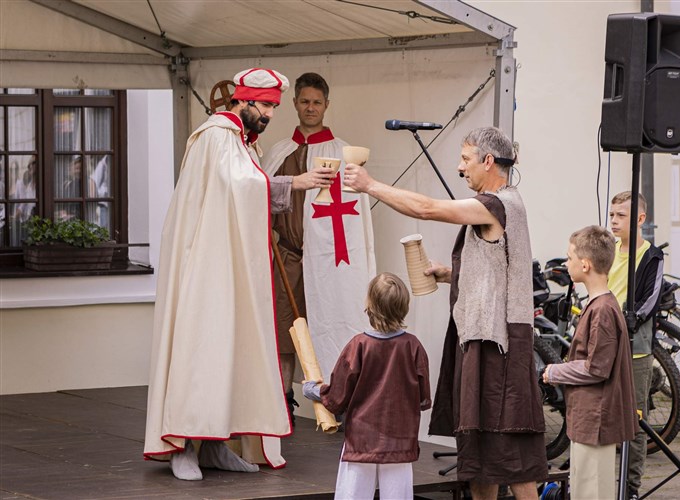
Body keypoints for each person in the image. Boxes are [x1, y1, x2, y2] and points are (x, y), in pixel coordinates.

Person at [143, 67, 335, 481]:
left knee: (230, 349)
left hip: (229, 264)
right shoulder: (216, 136)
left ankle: (215, 444)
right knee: (203, 348)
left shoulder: (240, 142)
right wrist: (296, 182)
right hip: (205, 266)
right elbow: (243, 187)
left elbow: (247, 189)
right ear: (242, 100)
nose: (268, 115)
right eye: (263, 106)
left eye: (272, 108)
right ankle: (186, 445)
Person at [344, 127, 547, 500]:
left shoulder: (497, 204)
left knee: (511, 453)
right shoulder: (503, 203)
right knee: (480, 455)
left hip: (498, 347)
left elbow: (427, 208)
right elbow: (502, 269)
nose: (459, 167)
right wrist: (451, 274)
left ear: (488, 161)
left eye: (466, 159)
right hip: (486, 340)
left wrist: (370, 185)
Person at [263, 72, 375, 422]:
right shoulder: (280, 151)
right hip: (287, 257)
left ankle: (343, 401)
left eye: (317, 102)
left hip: (330, 260)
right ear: (295, 103)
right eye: (304, 101)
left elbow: (352, 213)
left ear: (326, 105)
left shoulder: (341, 153)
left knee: (335, 323)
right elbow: (260, 198)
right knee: (284, 332)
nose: (310, 108)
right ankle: (283, 402)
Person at [302, 272, 431, 500]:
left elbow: (336, 398)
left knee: (353, 495)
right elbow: (422, 399)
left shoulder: (358, 346)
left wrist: (312, 389)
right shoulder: (414, 347)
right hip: (400, 441)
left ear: (369, 305)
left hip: (361, 441)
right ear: (404, 306)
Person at [543, 225, 638, 500]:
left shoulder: (603, 310)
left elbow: (596, 368)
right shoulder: (600, 305)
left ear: (585, 265)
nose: (567, 262)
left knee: (591, 490)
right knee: (586, 487)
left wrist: (554, 371)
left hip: (596, 419)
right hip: (589, 418)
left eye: (570, 257)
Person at [608, 191, 664, 500]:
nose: (614, 221)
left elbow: (650, 301)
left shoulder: (651, 256)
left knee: (635, 420)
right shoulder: (608, 249)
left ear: (640, 219)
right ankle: (597, 480)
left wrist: (627, 320)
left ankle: (629, 488)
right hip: (604, 343)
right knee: (600, 413)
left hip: (635, 348)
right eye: (612, 215)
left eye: (621, 216)